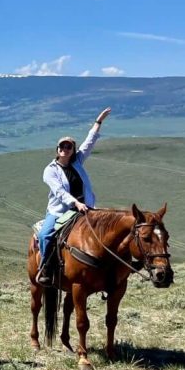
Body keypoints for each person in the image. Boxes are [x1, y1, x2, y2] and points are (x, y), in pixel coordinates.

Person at [36, 107, 111, 286]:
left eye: (69, 147)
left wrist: (98, 122)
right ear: (57, 149)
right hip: (61, 211)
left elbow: (89, 143)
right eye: (63, 146)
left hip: (86, 208)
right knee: (45, 235)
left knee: (110, 228)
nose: (66, 149)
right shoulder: (50, 170)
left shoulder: (77, 162)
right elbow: (59, 192)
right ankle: (45, 267)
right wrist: (76, 203)